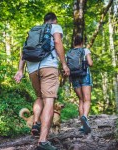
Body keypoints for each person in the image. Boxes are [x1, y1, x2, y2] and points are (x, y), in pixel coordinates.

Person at [14, 12, 70, 150]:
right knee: (49, 100)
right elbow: (57, 42)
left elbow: (24, 51)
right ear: (54, 21)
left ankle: (35, 123)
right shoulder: (55, 27)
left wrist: (20, 70)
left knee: (39, 97)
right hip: (48, 67)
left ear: (43, 21)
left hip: (32, 68)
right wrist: (64, 64)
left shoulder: (34, 30)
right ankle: (43, 141)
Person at [68, 35, 93, 134]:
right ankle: (85, 117)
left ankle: (83, 125)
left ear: (74, 43)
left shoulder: (69, 53)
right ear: (82, 42)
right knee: (87, 100)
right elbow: (90, 63)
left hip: (74, 77)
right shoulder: (85, 50)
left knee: (81, 100)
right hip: (84, 75)